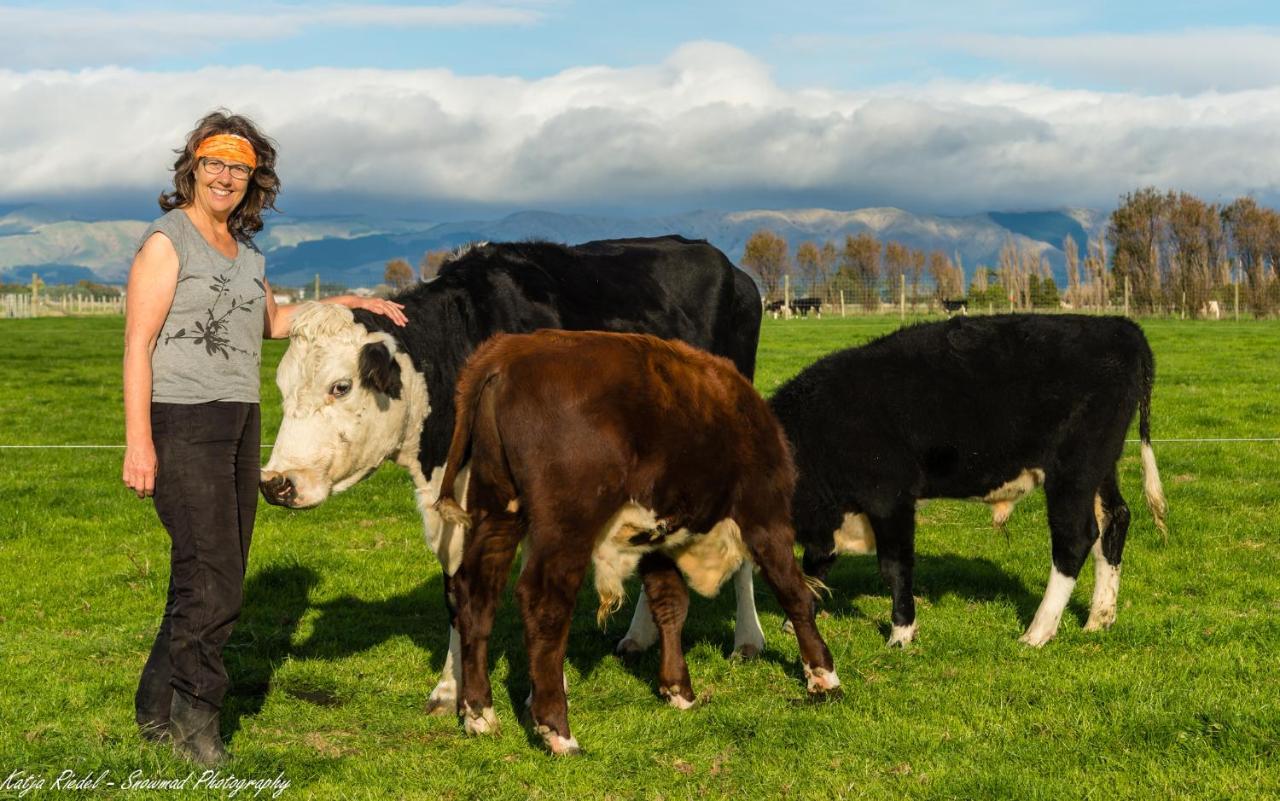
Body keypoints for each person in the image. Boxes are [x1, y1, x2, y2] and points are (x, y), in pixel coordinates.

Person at [121, 110, 407, 764]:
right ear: (192, 168)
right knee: (217, 580)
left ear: (255, 179)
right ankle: (198, 727)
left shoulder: (247, 253)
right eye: (215, 163)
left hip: (240, 420)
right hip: (182, 418)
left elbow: (274, 320)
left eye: (239, 168)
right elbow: (137, 343)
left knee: (206, 571)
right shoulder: (168, 242)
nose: (225, 176)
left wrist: (356, 301)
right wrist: (140, 440)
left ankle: (155, 713)